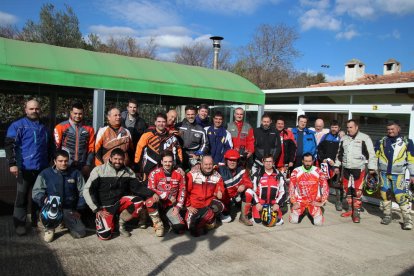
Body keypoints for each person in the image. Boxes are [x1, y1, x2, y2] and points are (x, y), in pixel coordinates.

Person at [83, 148, 157, 240]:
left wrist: (152, 193)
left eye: (120, 159)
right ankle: (104, 220)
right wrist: (97, 209)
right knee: (105, 236)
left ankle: (121, 224)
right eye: (115, 159)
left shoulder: (128, 171)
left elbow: (137, 187)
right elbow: (87, 190)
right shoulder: (99, 170)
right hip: (104, 208)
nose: (118, 161)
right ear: (110, 158)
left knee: (138, 202)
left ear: (124, 159)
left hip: (119, 204)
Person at [5, 99, 52, 235]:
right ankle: (20, 224)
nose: (34, 111)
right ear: (25, 110)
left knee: (39, 196)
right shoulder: (17, 125)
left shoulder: (44, 127)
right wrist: (13, 164)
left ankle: (36, 221)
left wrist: (52, 160)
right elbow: (9, 145)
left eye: (36, 109)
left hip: (41, 168)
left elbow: (50, 146)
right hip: (24, 168)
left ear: (40, 110)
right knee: (21, 197)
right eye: (31, 109)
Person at [32, 150, 86, 242]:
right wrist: (43, 199)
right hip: (52, 209)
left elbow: (83, 191)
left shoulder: (75, 173)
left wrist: (79, 208)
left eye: (66, 161)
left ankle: (65, 223)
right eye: (60, 161)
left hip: (69, 208)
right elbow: (36, 192)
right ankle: (50, 228)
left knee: (80, 233)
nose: (63, 163)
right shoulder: (45, 173)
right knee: (48, 239)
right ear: (55, 161)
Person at [334, 119, 377, 223]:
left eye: (351, 127)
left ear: (356, 127)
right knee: (347, 190)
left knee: (357, 192)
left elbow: (371, 154)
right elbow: (339, 154)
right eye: (347, 127)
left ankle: (356, 213)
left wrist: (372, 168)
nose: (349, 129)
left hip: (359, 169)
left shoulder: (365, 138)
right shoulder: (344, 138)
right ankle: (350, 210)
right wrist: (336, 165)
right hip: (346, 169)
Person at [375, 122, 414, 230]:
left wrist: (412, 174)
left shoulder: (407, 142)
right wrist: (372, 169)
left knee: (400, 197)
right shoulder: (381, 141)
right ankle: (387, 216)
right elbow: (375, 156)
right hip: (383, 174)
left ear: (398, 129)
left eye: (392, 129)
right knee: (384, 195)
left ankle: (407, 220)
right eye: (388, 129)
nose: (390, 131)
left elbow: (411, 160)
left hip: (399, 175)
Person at [147, 151, 186, 235]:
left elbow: (182, 191)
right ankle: (158, 224)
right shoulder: (154, 173)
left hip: (171, 205)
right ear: (161, 162)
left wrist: (178, 207)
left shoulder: (179, 174)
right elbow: (150, 188)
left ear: (173, 162)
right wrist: (165, 195)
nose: (167, 164)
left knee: (180, 228)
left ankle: (166, 218)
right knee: (150, 201)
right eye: (165, 161)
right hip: (158, 203)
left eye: (170, 161)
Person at [185, 155, 224, 236]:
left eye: (210, 164)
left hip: (207, 205)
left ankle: (208, 218)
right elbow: (184, 191)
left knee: (219, 205)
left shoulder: (217, 176)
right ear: (201, 164)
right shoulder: (192, 174)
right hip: (194, 206)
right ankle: (207, 221)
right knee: (193, 231)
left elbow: (220, 189)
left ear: (213, 164)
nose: (208, 167)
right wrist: (188, 205)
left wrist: (219, 193)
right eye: (206, 164)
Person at [54, 102, 95, 177]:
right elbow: (56, 147)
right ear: (71, 113)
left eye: (80, 114)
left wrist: (88, 164)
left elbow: (91, 148)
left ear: (83, 114)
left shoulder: (89, 129)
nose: (78, 116)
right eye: (75, 113)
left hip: (82, 165)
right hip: (65, 163)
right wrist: (57, 163)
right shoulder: (60, 127)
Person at [217, 149, 255, 226]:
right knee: (228, 219)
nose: (232, 162)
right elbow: (216, 181)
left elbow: (249, 183)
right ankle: (217, 215)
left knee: (249, 192)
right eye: (230, 160)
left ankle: (243, 216)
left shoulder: (241, 169)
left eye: (234, 160)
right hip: (225, 199)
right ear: (226, 160)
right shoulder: (219, 169)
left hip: (236, 197)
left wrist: (244, 186)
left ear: (238, 161)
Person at [289, 153, 329, 226]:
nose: (308, 163)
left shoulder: (318, 171)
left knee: (318, 223)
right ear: (302, 161)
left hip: (314, 201)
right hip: (300, 201)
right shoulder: (296, 171)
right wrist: (294, 202)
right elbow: (291, 188)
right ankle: (304, 210)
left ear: (313, 161)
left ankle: (319, 210)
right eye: (306, 161)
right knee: (293, 220)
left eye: (309, 161)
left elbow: (325, 186)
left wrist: (322, 202)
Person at [251, 155, 285, 226]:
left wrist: (277, 204)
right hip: (260, 202)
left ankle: (274, 211)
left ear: (273, 162)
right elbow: (252, 191)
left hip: (273, 203)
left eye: (270, 161)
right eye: (266, 161)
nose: (268, 163)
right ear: (263, 162)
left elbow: (283, 191)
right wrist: (257, 203)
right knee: (258, 221)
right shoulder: (257, 174)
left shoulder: (279, 175)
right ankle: (255, 212)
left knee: (277, 222)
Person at [317, 120, 342, 211]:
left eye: (336, 127)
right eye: (332, 127)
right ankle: (323, 199)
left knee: (337, 184)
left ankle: (338, 201)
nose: (334, 129)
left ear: (339, 128)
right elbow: (319, 149)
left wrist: (337, 163)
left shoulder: (341, 137)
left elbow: (343, 152)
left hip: (336, 165)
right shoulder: (325, 136)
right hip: (325, 165)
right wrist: (322, 158)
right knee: (324, 182)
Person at [176, 105, 209, 170]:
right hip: (180, 155)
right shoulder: (178, 126)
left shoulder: (201, 129)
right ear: (185, 114)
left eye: (192, 114)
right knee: (180, 174)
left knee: (194, 175)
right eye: (188, 114)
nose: (190, 116)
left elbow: (205, 144)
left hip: (193, 156)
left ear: (196, 114)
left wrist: (198, 154)